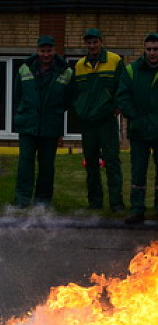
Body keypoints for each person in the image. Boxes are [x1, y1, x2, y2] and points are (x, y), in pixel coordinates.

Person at [14, 35, 73, 208]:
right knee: (25, 164)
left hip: (50, 126)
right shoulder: (25, 68)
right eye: (42, 51)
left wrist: (55, 112)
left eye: (49, 51)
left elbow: (69, 98)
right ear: (37, 51)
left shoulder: (66, 71)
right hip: (28, 125)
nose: (45, 54)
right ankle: (22, 199)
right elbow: (18, 95)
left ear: (54, 51)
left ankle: (43, 201)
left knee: (47, 166)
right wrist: (24, 113)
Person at [72, 28, 125, 212]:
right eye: (89, 43)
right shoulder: (79, 65)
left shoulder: (115, 60)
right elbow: (75, 92)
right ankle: (94, 202)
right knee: (91, 162)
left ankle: (116, 203)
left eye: (95, 42)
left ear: (101, 42)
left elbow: (122, 87)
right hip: (88, 123)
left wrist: (116, 108)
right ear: (85, 44)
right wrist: (79, 110)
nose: (92, 46)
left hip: (106, 121)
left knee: (112, 161)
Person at [117, 33, 158, 224]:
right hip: (139, 130)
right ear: (144, 49)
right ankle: (136, 209)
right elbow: (122, 96)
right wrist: (134, 115)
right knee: (138, 171)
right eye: (149, 49)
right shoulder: (132, 70)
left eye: (155, 49)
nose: (152, 53)